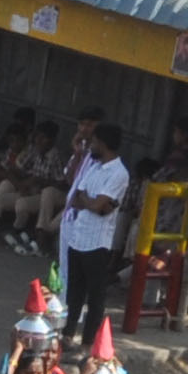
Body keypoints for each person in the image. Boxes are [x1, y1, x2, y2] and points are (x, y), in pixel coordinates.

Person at [56, 126, 131, 347]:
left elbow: (99, 205)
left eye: (95, 142)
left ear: (103, 144)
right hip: (78, 235)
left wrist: (94, 203)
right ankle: (68, 333)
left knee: (95, 295)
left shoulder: (119, 173)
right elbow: (78, 197)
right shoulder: (94, 167)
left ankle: (88, 342)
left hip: (97, 242)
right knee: (75, 291)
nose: (92, 147)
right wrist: (95, 203)